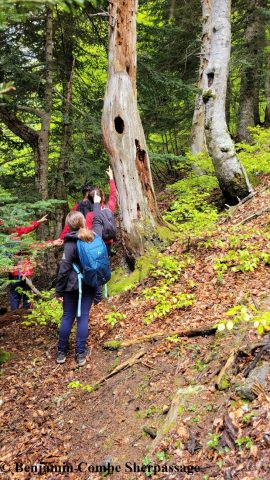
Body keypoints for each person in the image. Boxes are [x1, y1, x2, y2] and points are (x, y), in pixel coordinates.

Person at [56, 192, 104, 367]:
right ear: (84, 222)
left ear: (68, 226)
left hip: (70, 285)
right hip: (89, 285)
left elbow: (64, 268)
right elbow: (98, 221)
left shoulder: (69, 243)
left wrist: (58, 290)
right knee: (83, 317)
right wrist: (97, 203)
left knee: (68, 316)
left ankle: (61, 352)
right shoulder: (93, 237)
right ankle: (80, 355)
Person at [59, 167, 117, 255]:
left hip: (93, 244)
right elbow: (113, 196)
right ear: (102, 197)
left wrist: (63, 237)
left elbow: (71, 223)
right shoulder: (108, 208)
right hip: (108, 242)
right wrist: (111, 178)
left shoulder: (89, 214)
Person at [5, 215, 49, 310]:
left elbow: (26, 229)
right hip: (22, 272)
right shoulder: (21, 242)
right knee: (24, 293)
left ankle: (16, 313)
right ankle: (23, 313)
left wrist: (38, 221)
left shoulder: (7, 241)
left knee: (16, 294)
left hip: (17, 272)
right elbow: (39, 244)